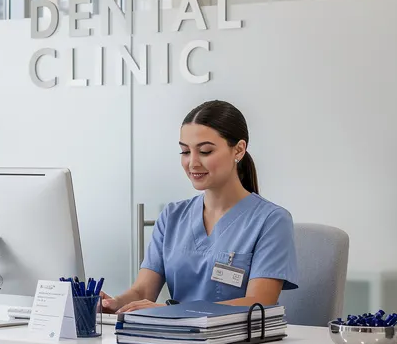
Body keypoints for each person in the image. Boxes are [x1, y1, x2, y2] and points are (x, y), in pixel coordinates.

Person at [102, 100, 298, 314]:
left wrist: (172, 311)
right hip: (173, 333)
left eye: (205, 151)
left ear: (239, 150)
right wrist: (113, 303)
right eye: (185, 152)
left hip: (234, 335)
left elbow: (259, 302)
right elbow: (142, 292)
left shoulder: (271, 220)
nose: (193, 163)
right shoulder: (171, 217)